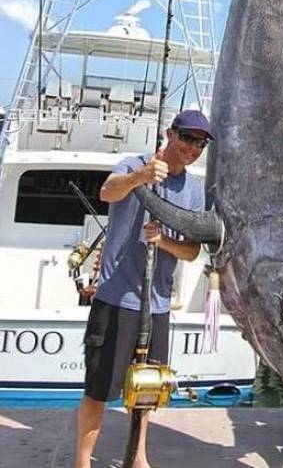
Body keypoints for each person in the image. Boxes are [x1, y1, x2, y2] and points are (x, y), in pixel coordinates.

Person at [74, 110, 212, 468]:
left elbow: (193, 250)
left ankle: (138, 458)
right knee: (99, 390)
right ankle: (83, 461)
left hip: (158, 305)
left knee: (146, 389)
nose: (192, 147)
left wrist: (164, 241)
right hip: (116, 300)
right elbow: (107, 191)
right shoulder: (133, 164)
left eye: (200, 142)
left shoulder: (194, 192)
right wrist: (141, 177)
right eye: (186, 138)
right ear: (170, 133)